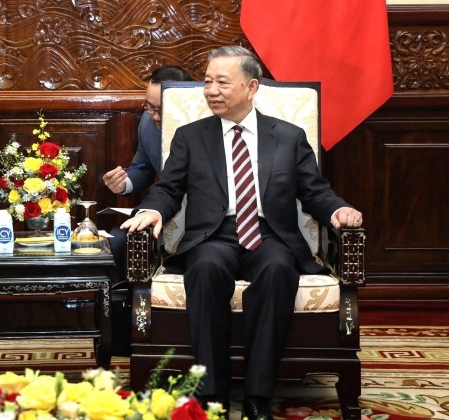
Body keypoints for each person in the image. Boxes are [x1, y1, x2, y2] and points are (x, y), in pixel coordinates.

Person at [120, 45, 363, 420]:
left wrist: (338, 210)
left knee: (278, 269)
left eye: (222, 82)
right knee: (205, 269)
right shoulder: (190, 136)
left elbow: (314, 192)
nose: (211, 90)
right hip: (213, 236)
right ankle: (211, 393)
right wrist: (151, 210)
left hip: (270, 235)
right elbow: (168, 189)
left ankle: (258, 395)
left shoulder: (288, 136)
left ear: (251, 87)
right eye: (207, 82)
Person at [101, 65, 193, 282]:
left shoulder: (203, 124)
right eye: (149, 107)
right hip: (160, 210)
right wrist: (124, 182)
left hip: (197, 216)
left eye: (161, 110)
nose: (154, 116)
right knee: (117, 240)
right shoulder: (148, 122)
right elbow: (143, 167)